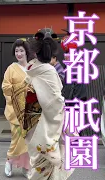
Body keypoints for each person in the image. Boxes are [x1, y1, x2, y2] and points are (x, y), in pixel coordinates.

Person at [25, 30, 76, 179]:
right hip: (47, 117)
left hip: (32, 118)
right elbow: (55, 99)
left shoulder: (31, 69)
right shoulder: (49, 71)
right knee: (50, 156)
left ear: (36, 54)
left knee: (38, 157)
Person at [2, 38, 35, 178]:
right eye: (16, 51)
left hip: (31, 109)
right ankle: (9, 161)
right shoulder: (11, 68)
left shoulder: (33, 67)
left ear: (26, 51)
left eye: (21, 50)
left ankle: (26, 167)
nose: (19, 53)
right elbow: (5, 87)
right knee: (17, 137)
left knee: (29, 139)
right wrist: (21, 88)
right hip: (15, 109)